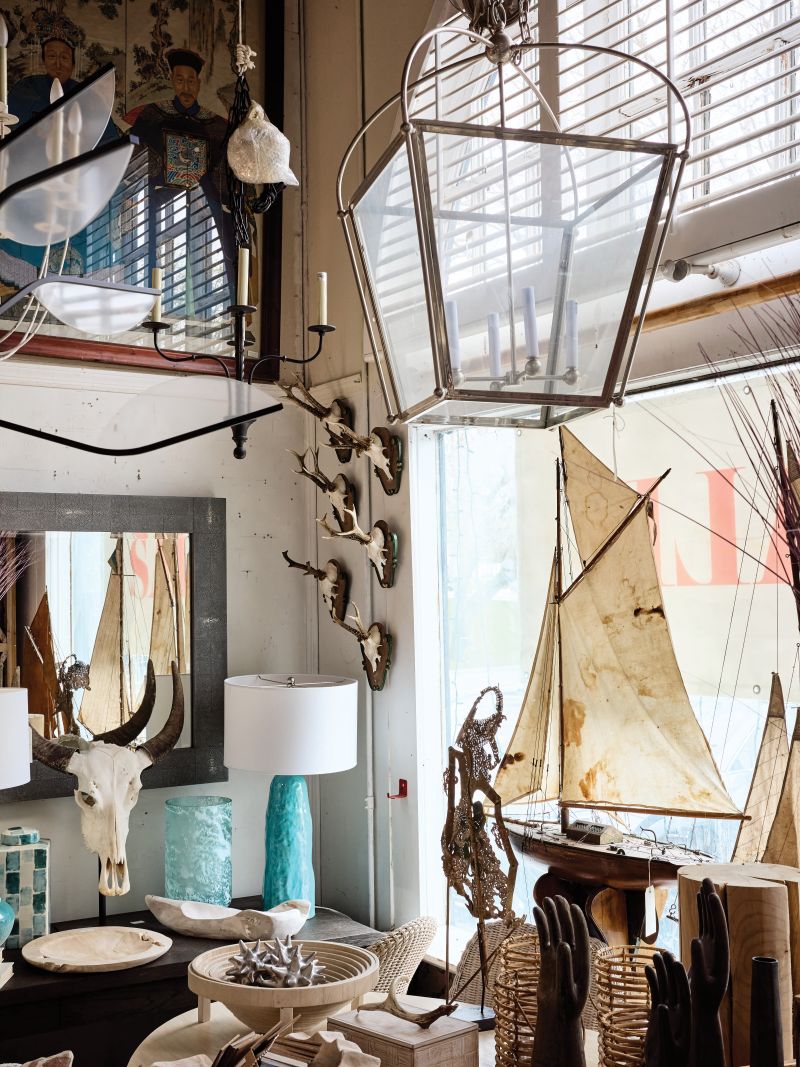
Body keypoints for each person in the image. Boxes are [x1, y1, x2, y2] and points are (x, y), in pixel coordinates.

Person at [124, 48, 235, 304]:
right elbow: (134, 157)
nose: (186, 87)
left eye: (191, 80)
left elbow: (227, 167)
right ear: (172, 81)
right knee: (156, 254)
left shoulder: (216, 126)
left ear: (198, 83)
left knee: (206, 254)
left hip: (201, 204)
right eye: (180, 80)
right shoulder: (153, 116)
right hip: (160, 202)